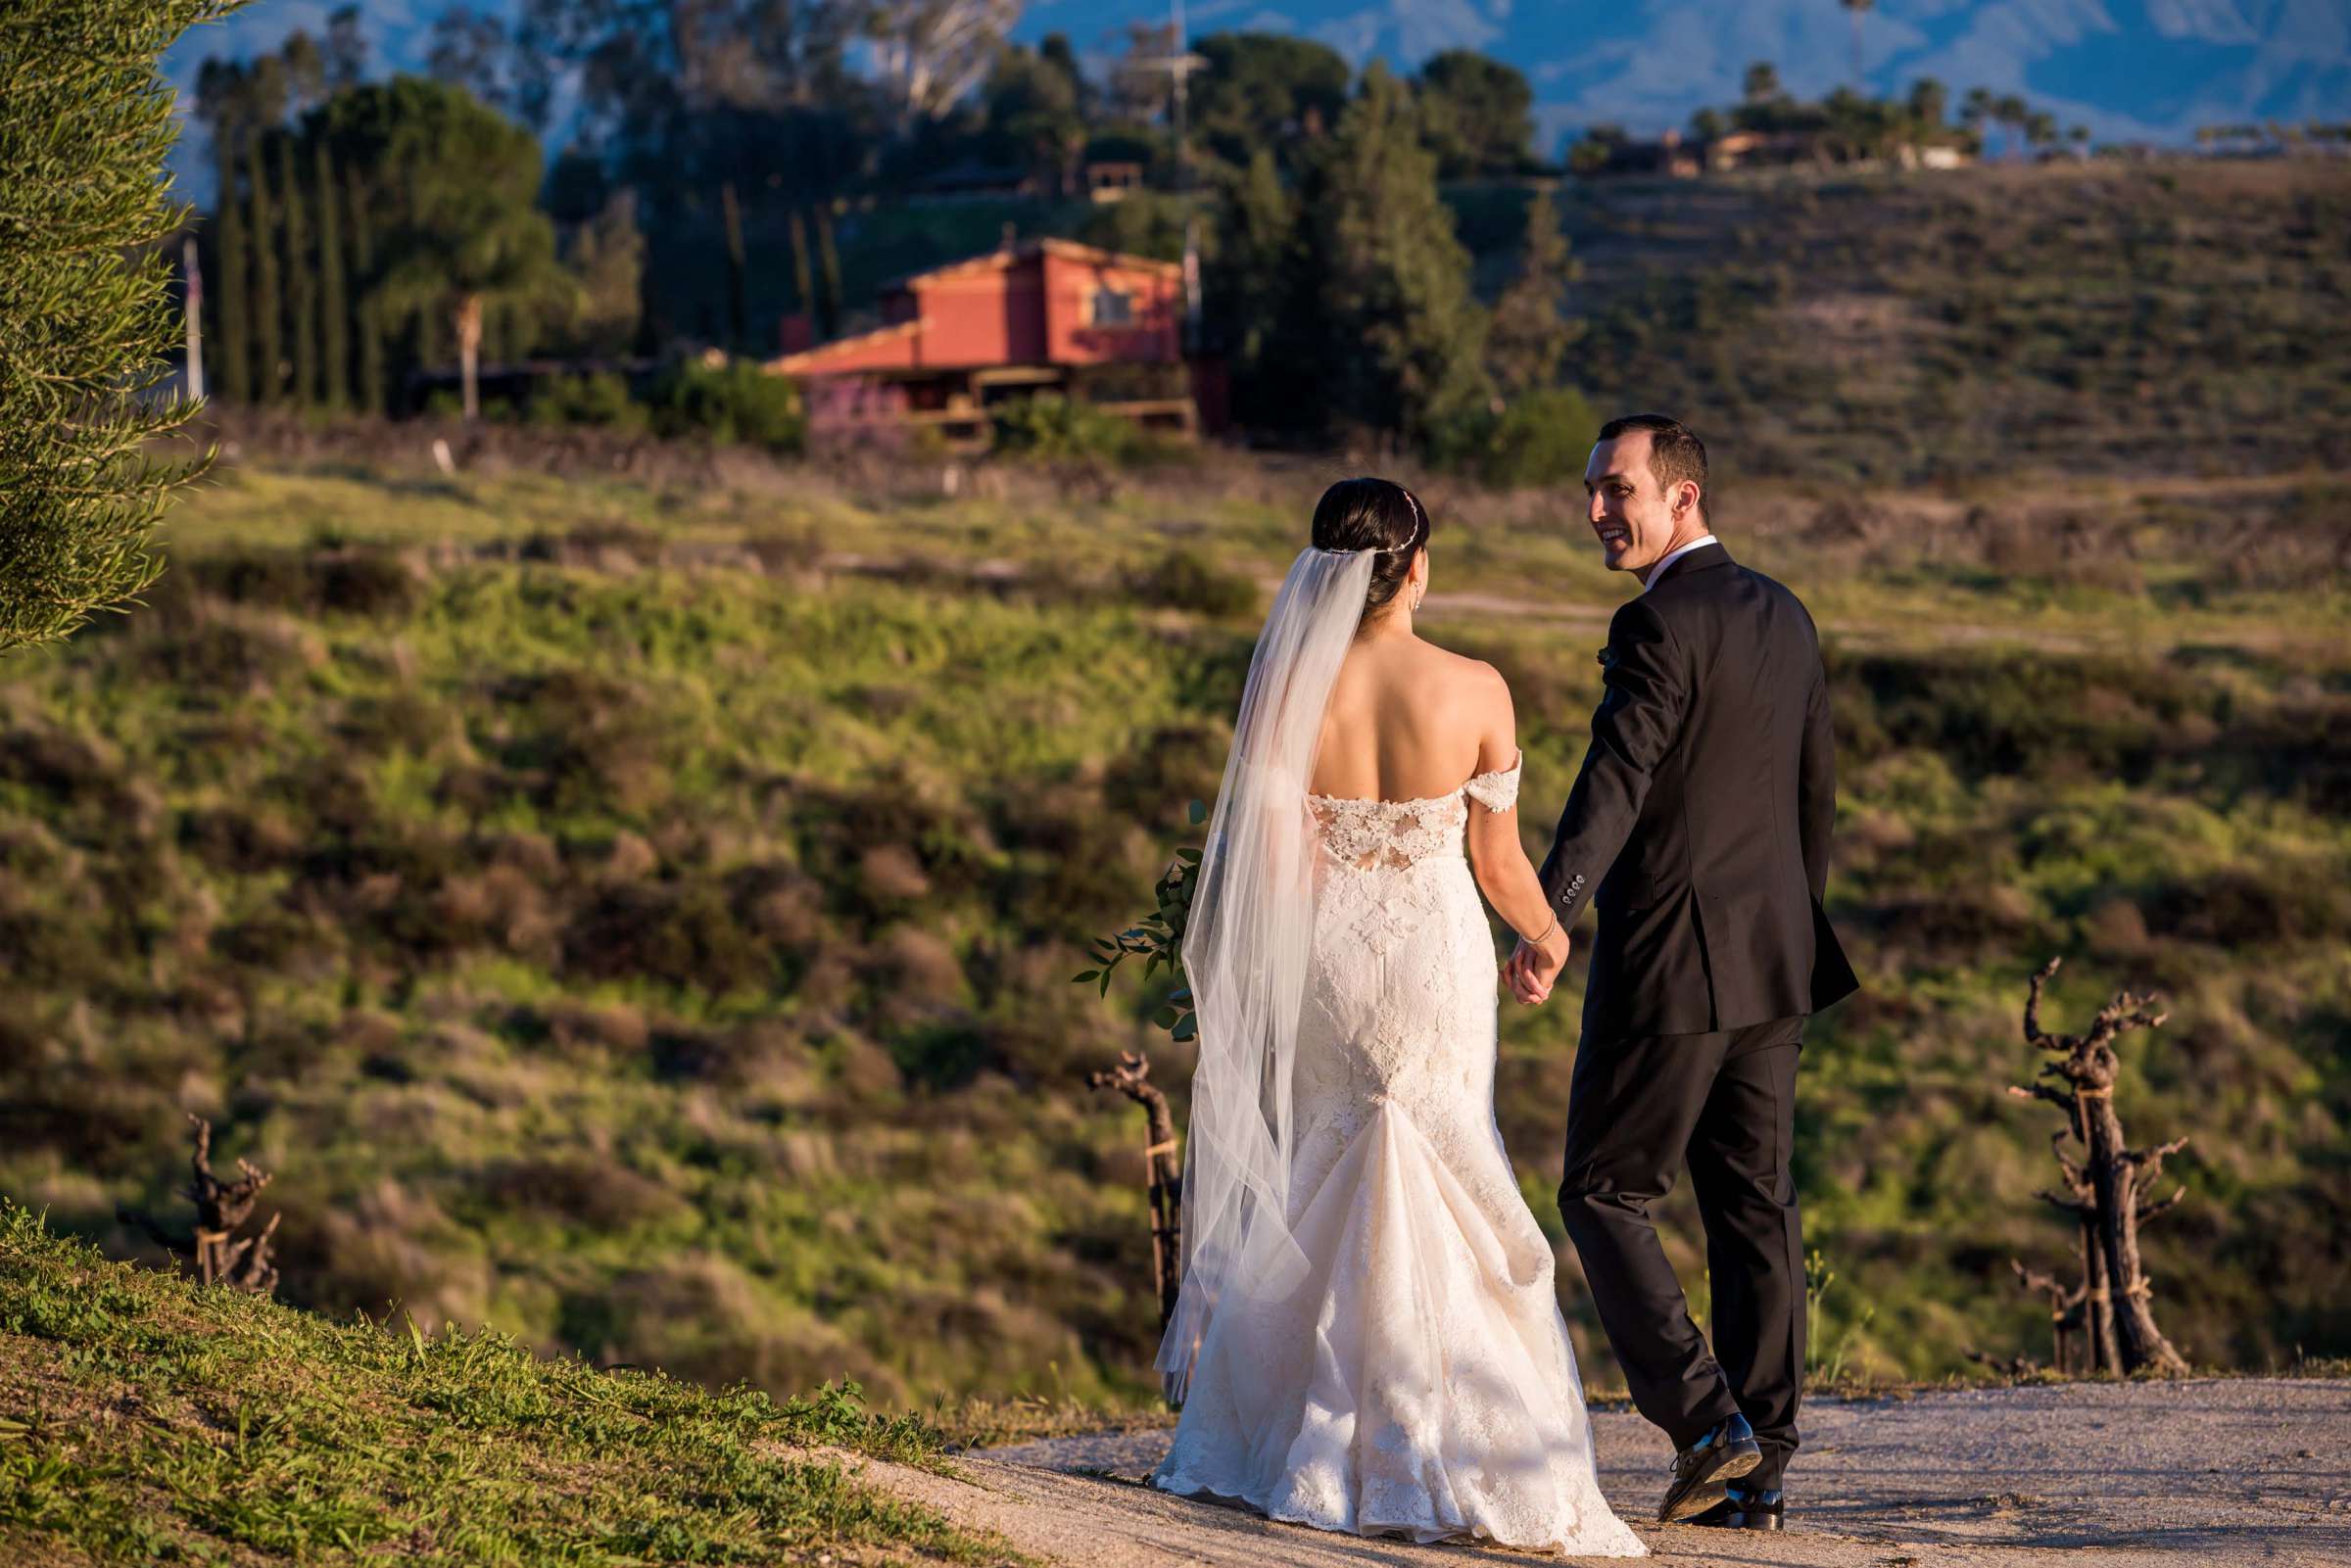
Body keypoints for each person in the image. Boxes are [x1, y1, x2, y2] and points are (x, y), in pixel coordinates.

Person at [1148, 477, 1643, 1555]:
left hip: (1330, 958)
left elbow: (1280, 862)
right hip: (1434, 957)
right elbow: (1498, 859)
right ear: (1416, 566)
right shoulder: (1475, 687)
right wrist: (1550, 939)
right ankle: (1477, 1443)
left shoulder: (1286, 686)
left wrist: (1269, 970)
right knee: (1446, 1157)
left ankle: (1299, 1437)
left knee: (1329, 1162)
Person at [1506, 413, 1858, 1533]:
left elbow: (1616, 779)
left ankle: (1710, 1423)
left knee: (1602, 1190)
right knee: (1755, 1203)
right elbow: (1816, 796)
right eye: (1594, 491)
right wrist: (1796, 926)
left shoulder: (1657, 620)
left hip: (1670, 958)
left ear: (1683, 499)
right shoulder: (1787, 614)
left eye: (1618, 489)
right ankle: (1761, 1471)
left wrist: (1544, 912)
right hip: (1777, 958)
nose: (1599, 509)